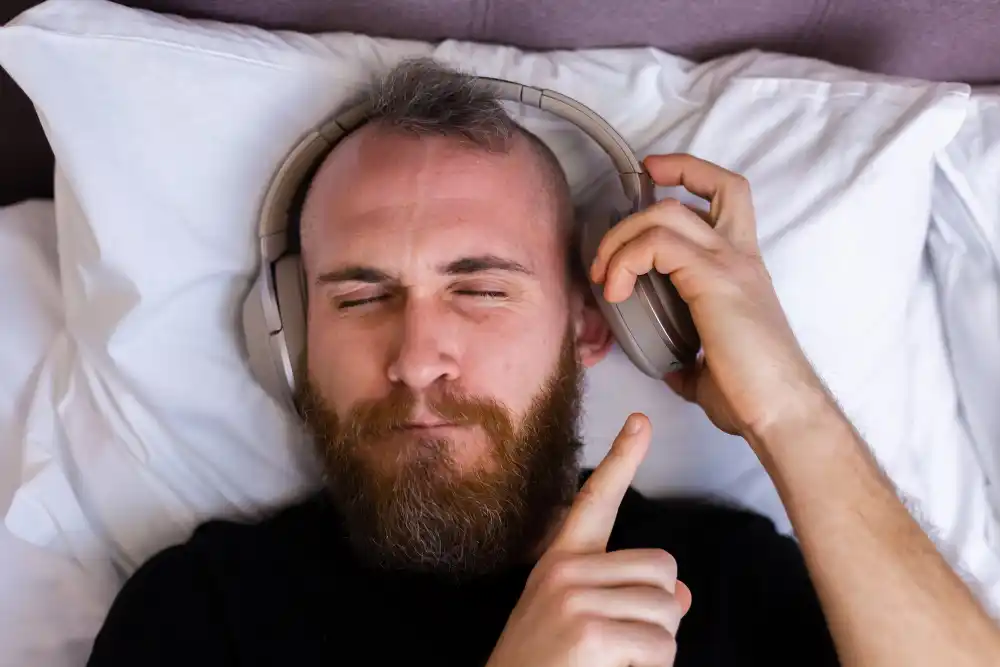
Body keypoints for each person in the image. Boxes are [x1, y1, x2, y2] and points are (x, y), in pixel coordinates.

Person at [86, 60, 1000, 667]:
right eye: (360, 296)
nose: (416, 358)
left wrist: (793, 409)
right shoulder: (197, 617)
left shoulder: (725, 585)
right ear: (290, 336)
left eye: (479, 289)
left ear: (592, 325)